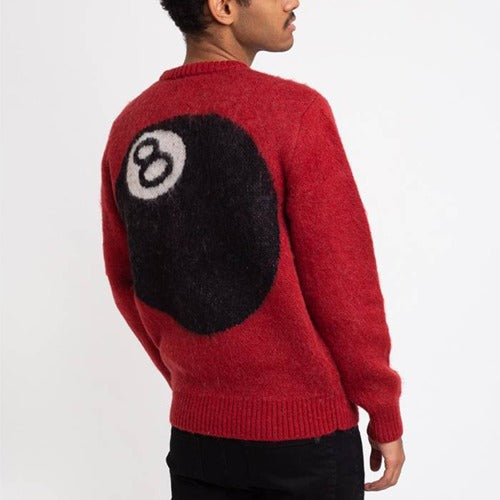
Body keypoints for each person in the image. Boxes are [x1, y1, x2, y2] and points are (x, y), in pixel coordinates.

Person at [99, 0, 406, 498]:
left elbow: (129, 282)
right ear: (223, 7)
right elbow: (343, 281)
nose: (293, 1)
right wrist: (382, 404)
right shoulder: (295, 112)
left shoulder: (131, 127)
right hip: (304, 440)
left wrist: (192, 380)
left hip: (197, 440)